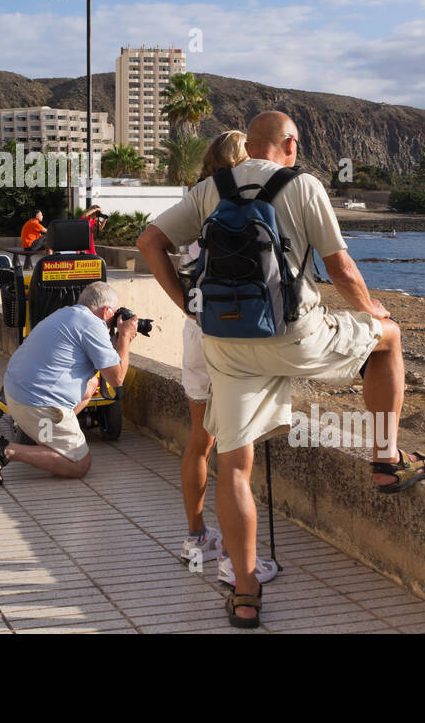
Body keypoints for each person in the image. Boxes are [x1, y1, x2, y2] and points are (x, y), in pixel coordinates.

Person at [137, 111, 425, 628]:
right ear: (291, 145)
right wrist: (371, 310)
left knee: (235, 467)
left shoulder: (212, 188)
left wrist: (189, 307)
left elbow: (150, 242)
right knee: (388, 340)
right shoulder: (303, 185)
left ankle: (245, 591)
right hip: (294, 335)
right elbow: (340, 268)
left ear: (250, 144)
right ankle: (387, 458)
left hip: (227, 343)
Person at [175, 130, 249, 580]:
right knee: (237, 452)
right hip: (237, 333)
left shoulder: (195, 199)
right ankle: (238, 565)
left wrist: (184, 305)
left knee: (201, 441)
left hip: (197, 328)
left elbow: (155, 242)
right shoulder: (248, 199)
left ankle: (196, 537)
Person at [0, 282, 137, 484]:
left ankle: (49, 437)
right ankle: (4, 450)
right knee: (80, 464)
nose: (115, 321)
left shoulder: (67, 313)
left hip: (15, 393)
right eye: (115, 315)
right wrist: (124, 336)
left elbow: (102, 368)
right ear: (107, 311)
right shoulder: (93, 325)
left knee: (90, 384)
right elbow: (117, 379)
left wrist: (116, 344)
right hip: (37, 404)